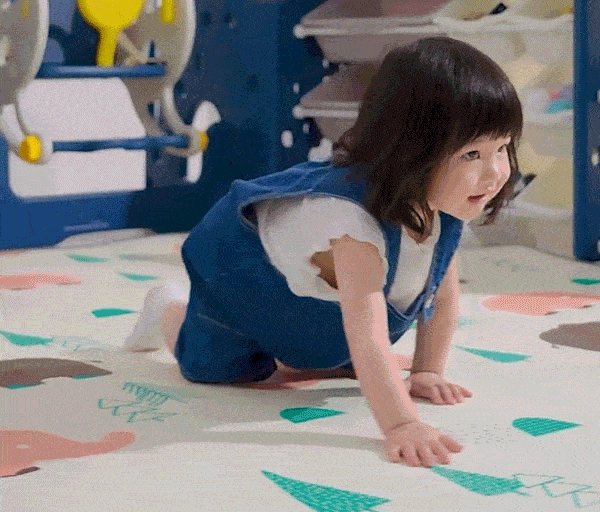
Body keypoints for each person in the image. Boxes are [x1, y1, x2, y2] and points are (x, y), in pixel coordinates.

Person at [124, 36, 523, 468]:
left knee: (333, 357)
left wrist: (427, 370)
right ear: (409, 150)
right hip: (241, 274)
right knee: (214, 367)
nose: (495, 173)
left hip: (312, 303)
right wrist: (402, 424)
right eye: (471, 154)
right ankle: (167, 308)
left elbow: (440, 296)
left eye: (502, 148)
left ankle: (297, 348)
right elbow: (367, 333)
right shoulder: (351, 224)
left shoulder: (446, 202)